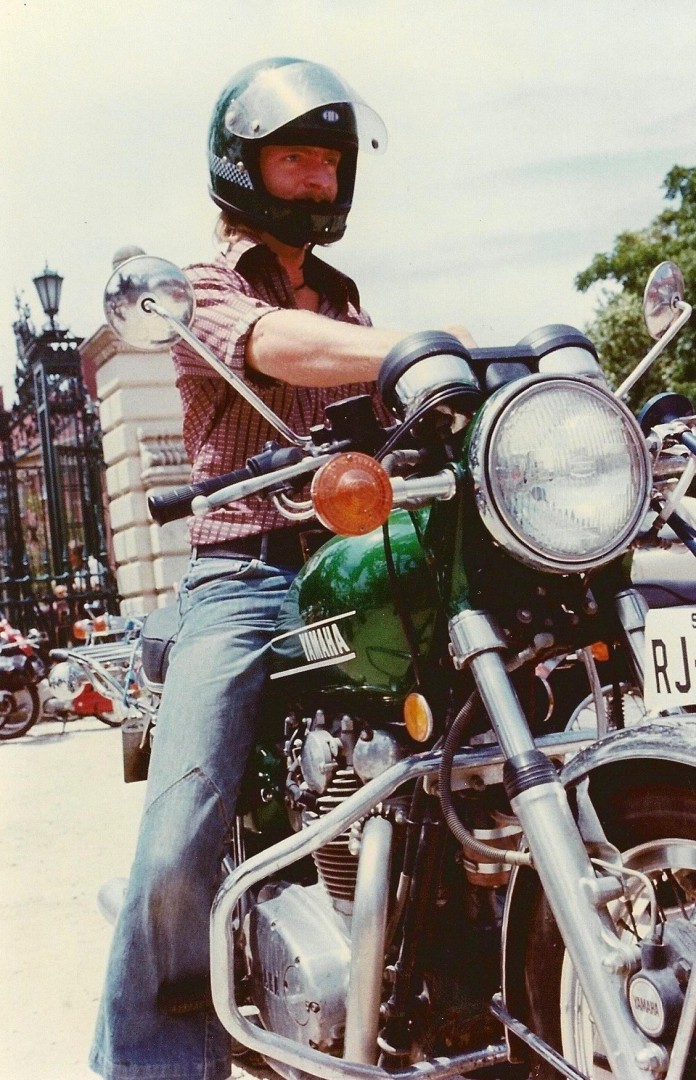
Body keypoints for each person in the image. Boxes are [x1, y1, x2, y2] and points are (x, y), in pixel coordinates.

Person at [90, 56, 475, 1080]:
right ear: (243, 165)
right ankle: (148, 1062)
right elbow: (273, 347)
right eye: (294, 157)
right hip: (244, 577)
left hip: (355, 561)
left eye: (328, 161)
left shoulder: (346, 300)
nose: (315, 178)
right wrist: (420, 346)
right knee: (182, 823)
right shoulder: (204, 288)